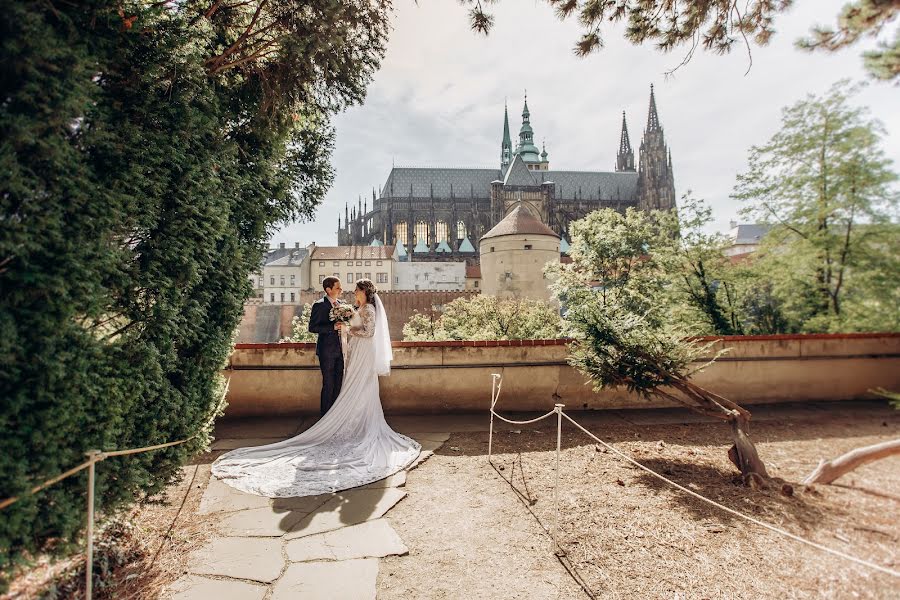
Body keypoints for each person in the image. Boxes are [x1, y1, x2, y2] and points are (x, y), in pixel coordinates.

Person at [211, 279, 421, 497]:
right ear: (329, 289)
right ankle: (332, 420)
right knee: (342, 386)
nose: (348, 291)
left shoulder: (366, 308)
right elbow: (323, 327)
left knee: (356, 386)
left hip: (359, 352)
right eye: (340, 287)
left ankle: (350, 422)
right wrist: (343, 326)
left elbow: (368, 332)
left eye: (355, 289)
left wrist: (347, 327)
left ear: (364, 292)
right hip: (344, 352)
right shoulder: (339, 306)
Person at [307, 276, 344, 416]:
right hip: (326, 351)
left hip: (341, 350)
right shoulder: (319, 305)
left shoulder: (341, 304)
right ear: (328, 289)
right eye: (338, 287)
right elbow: (313, 327)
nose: (341, 290)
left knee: (339, 383)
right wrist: (332, 327)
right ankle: (325, 417)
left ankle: (336, 416)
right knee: (328, 384)